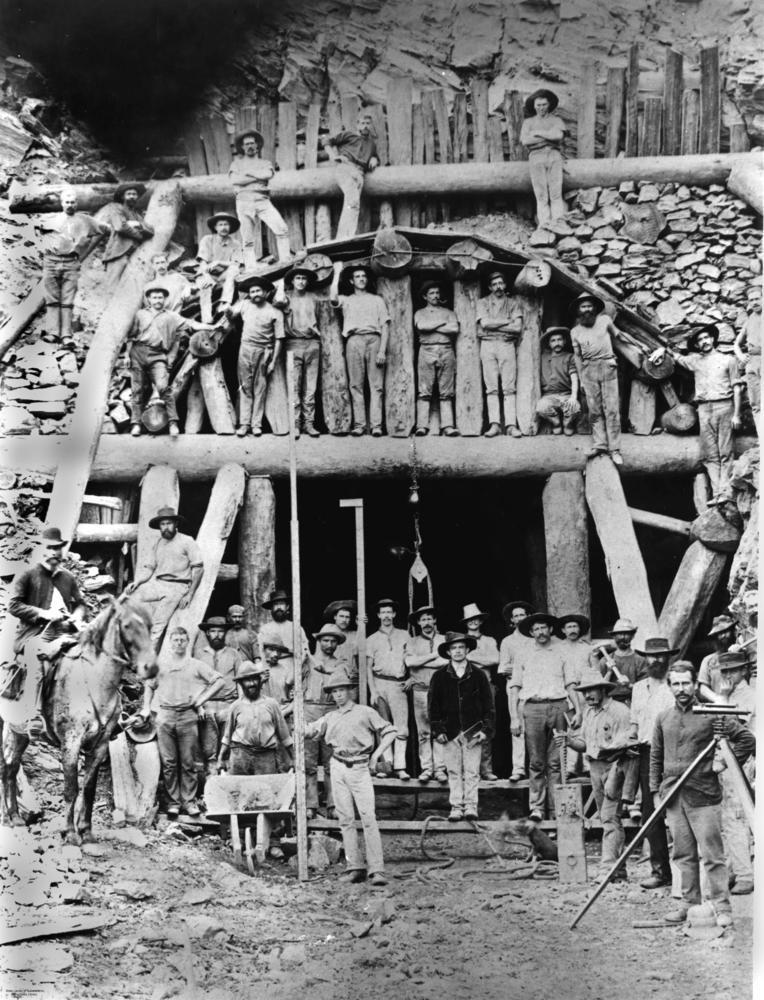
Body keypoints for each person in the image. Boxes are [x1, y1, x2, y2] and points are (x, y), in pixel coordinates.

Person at [650, 660, 755, 927]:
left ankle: (721, 907)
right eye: (676, 683)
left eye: (686, 683)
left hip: (704, 794)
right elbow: (656, 756)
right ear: (670, 686)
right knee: (683, 854)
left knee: (712, 854)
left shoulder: (711, 713)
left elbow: (746, 740)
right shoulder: (663, 718)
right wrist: (655, 790)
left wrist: (720, 763)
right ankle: (689, 904)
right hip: (673, 794)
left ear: (695, 684)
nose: (681, 688)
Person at [304, 666, 396, 885]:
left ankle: (377, 870)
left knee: (368, 818)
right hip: (337, 766)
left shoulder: (365, 712)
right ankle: (355, 866)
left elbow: (391, 731)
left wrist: (376, 756)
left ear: (350, 691)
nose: (338, 695)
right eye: (334, 691)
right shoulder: (330, 717)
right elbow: (309, 730)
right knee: (345, 819)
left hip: (360, 767)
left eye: (342, 690)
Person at [139, 626, 226, 820]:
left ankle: (189, 801)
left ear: (188, 643)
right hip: (165, 717)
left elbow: (219, 680)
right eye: (175, 640)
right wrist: (146, 708)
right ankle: (173, 803)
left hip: (188, 717)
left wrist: (201, 701)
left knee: (188, 762)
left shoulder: (195, 665)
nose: (179, 643)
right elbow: (149, 685)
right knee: (169, 763)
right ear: (170, 643)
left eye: (182, 640)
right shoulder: (161, 665)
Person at [650, 325, 742, 496]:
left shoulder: (728, 360)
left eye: (706, 338)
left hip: (724, 406)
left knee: (725, 452)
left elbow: (737, 388)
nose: (704, 342)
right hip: (704, 409)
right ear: (697, 345)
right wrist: (662, 349)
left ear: (713, 339)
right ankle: (717, 494)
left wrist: (736, 415)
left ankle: (726, 492)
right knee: (711, 455)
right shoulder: (695, 361)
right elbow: (676, 357)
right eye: (700, 340)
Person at [557, 677, 633, 878]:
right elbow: (585, 744)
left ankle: (608, 868)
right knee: (607, 818)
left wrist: (613, 757)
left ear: (603, 690)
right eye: (584, 692)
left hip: (615, 765)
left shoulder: (620, 711)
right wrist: (569, 741)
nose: (587, 696)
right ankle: (619, 870)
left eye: (592, 691)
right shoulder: (589, 712)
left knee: (609, 817)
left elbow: (629, 740)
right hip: (595, 767)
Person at [509, 612, 581, 822]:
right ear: (531, 632)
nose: (541, 632)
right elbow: (514, 688)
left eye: (544, 628)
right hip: (533, 709)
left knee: (557, 762)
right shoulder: (523, 654)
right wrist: (515, 717)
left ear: (551, 629)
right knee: (537, 762)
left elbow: (571, 684)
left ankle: (557, 806)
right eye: (536, 629)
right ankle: (537, 808)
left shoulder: (561, 652)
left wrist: (577, 710)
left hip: (558, 707)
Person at [9, 526, 86, 719]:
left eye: (57, 548)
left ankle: (99, 712)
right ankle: (33, 713)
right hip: (35, 633)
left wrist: (77, 616)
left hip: (66, 631)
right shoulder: (27, 574)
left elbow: (82, 604)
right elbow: (13, 605)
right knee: (38, 654)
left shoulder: (68, 577)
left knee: (94, 653)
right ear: (41, 549)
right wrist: (44, 614)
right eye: (49, 548)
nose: (53, 552)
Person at [127, 282, 216, 438]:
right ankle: (136, 424)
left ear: (165, 299)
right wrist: (127, 356)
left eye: (160, 297)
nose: (157, 300)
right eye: (154, 297)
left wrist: (211, 327)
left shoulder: (171, 316)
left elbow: (191, 324)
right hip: (138, 352)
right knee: (137, 389)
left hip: (157, 354)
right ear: (148, 299)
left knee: (163, 387)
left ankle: (173, 422)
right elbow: (130, 335)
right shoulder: (140, 314)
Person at [428, 632, 495, 821]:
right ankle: (456, 807)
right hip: (450, 731)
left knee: (472, 771)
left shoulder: (479, 675)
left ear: (467, 650)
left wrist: (485, 730)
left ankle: (471, 806)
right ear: (448, 652)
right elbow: (433, 706)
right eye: (453, 648)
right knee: (454, 771)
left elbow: (488, 706)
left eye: (461, 648)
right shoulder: (440, 676)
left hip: (473, 730)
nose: (457, 651)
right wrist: (438, 729)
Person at [627, 637, 677, 888]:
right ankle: (660, 871)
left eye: (660, 655)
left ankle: (684, 874)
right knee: (651, 811)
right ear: (644, 658)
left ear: (668, 657)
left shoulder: (675, 685)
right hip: (647, 753)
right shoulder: (638, 688)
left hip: (675, 751)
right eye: (651, 656)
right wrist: (630, 740)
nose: (656, 660)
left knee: (679, 809)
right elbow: (635, 723)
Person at [37, 187, 110, 342]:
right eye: (66, 202)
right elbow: (37, 232)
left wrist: (84, 243)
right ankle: (52, 333)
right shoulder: (50, 219)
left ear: (77, 204)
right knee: (52, 298)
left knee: (68, 300)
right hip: (51, 261)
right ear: (62, 203)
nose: (69, 205)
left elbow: (106, 228)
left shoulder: (85, 219)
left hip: (71, 262)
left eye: (72, 202)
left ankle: (66, 335)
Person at [126, 507, 203, 649]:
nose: (165, 527)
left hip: (177, 587)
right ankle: (131, 641)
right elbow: (149, 568)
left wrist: (190, 594)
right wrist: (137, 582)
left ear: (176, 524)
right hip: (158, 583)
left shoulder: (187, 541)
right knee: (131, 599)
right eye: (162, 524)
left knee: (158, 623)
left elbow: (198, 568)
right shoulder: (158, 543)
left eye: (169, 523)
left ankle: (147, 660)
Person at [330, 262, 390, 436]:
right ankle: (360, 425)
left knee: (376, 385)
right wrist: (337, 273)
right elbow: (333, 298)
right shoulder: (346, 299)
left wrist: (382, 350)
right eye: (357, 277)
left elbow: (385, 326)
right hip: (354, 340)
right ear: (351, 281)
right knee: (356, 385)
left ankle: (376, 426)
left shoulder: (377, 300)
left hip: (374, 340)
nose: (361, 279)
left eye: (363, 276)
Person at [570, 293, 631, 465]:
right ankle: (600, 444)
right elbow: (577, 357)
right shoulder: (574, 331)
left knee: (611, 409)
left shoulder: (604, 320)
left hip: (607, 366)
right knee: (594, 410)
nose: (587, 309)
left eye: (589, 306)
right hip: (589, 369)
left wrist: (639, 345)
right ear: (578, 310)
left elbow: (619, 335)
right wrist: (582, 379)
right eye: (583, 306)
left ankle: (615, 449)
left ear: (595, 308)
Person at [715, 650, 755, 896]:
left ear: (744, 671)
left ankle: (745, 875)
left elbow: (738, 730)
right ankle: (734, 868)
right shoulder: (730, 694)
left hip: (744, 760)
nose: (728, 675)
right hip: (729, 759)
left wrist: (722, 699)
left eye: (734, 670)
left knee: (736, 819)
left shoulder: (749, 696)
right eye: (725, 670)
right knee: (728, 818)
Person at [302, 624, 350, 817]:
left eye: (333, 641)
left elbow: (344, 686)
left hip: (331, 709)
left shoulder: (341, 664)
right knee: (308, 761)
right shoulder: (307, 660)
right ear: (319, 641)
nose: (329, 644)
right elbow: (292, 681)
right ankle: (310, 805)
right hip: (310, 707)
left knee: (333, 762)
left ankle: (333, 805)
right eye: (326, 640)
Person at [229, 274, 284, 437]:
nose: (255, 294)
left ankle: (256, 425)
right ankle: (244, 424)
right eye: (252, 292)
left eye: (258, 291)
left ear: (266, 292)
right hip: (245, 349)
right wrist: (227, 311)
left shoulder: (275, 311)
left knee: (260, 388)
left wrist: (273, 361)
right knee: (245, 387)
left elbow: (279, 339)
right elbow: (231, 315)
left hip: (264, 351)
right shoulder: (244, 304)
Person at [217, 660, 293, 776]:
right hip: (240, 756)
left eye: (254, 679)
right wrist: (220, 758)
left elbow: (285, 736)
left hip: (266, 757)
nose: (252, 683)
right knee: (239, 790)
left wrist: (294, 758)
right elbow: (227, 737)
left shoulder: (271, 704)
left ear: (260, 680)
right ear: (241, 683)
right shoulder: (235, 706)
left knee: (265, 790)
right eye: (247, 680)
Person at [229, 128, 291, 267]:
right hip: (244, 201)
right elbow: (235, 180)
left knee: (282, 229)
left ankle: (286, 263)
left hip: (262, 200)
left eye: (252, 143)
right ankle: (251, 270)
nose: (249, 146)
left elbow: (267, 175)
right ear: (242, 147)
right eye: (246, 144)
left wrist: (247, 174)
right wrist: (256, 176)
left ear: (257, 145)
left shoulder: (265, 163)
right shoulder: (236, 164)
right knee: (248, 239)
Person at [476, 270, 523, 437]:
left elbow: (517, 328)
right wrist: (506, 321)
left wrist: (495, 325)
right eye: (494, 284)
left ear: (505, 285)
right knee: (491, 388)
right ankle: (494, 425)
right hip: (487, 346)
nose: (498, 287)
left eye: (501, 283)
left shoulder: (513, 303)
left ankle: (510, 425)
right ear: (489, 287)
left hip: (506, 345)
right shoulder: (482, 303)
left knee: (509, 387)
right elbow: (485, 323)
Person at [366, 598, 410, 778]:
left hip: (398, 683)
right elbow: (368, 667)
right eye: (382, 612)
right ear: (378, 615)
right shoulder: (371, 639)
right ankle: (385, 767)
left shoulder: (405, 635)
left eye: (389, 612)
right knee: (383, 727)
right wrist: (373, 691)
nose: (386, 616)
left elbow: (412, 660)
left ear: (394, 614)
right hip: (379, 682)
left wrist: (411, 678)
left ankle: (400, 767)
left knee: (401, 728)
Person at [276, 265, 322, 437]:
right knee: (294, 386)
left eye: (304, 278)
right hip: (293, 344)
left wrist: (319, 335)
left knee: (310, 387)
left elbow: (321, 318)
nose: (301, 282)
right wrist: (282, 283)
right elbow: (277, 301)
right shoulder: (285, 298)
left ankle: (309, 424)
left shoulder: (314, 297)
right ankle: (295, 425)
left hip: (312, 343)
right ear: (292, 281)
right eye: (298, 278)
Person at [404, 606, 448, 783]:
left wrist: (422, 663)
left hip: (441, 691)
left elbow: (448, 661)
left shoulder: (444, 639)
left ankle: (440, 769)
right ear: (418, 623)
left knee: (440, 731)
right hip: (420, 690)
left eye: (430, 619)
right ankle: (427, 769)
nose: (427, 623)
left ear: (435, 621)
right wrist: (434, 656)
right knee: (423, 733)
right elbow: (410, 662)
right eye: (423, 619)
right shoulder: (412, 642)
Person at [195, 616, 242, 775]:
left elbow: (241, 681)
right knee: (209, 752)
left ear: (225, 633)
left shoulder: (234, 654)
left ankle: (229, 789)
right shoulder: (199, 655)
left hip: (228, 706)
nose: (216, 635)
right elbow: (195, 683)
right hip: (207, 708)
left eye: (220, 631)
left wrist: (240, 706)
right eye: (212, 631)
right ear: (207, 633)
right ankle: (211, 790)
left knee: (228, 749)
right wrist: (199, 705)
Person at [322, 110, 380, 239]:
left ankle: (347, 237)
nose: (365, 126)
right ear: (358, 124)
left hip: (359, 175)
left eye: (368, 123)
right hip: (346, 169)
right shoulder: (349, 135)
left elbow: (375, 156)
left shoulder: (371, 144)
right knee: (352, 203)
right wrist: (333, 156)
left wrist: (374, 159)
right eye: (363, 123)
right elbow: (326, 140)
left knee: (354, 207)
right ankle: (343, 239)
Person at [412, 281, 460, 437]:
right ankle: (422, 426)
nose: (435, 296)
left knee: (446, 391)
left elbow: (454, 328)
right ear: (425, 296)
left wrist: (432, 326)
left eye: (437, 293)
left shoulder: (449, 311)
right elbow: (421, 326)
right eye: (431, 293)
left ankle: (447, 426)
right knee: (424, 390)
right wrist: (442, 323)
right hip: (427, 350)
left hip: (446, 350)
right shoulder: (420, 312)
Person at [497, 600, 535, 781]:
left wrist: (522, 668)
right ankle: (518, 768)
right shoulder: (508, 641)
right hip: (514, 687)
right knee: (517, 726)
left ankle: (535, 767)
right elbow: (503, 668)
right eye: (516, 616)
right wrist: (517, 668)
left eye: (522, 615)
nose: (520, 618)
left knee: (535, 727)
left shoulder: (535, 638)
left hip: (534, 685)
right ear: (512, 620)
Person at [462, 602, 500, 782]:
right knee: (466, 727)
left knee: (487, 727)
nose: (473, 622)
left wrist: (473, 658)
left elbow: (495, 660)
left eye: (475, 619)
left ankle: (486, 769)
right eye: (469, 619)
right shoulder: (461, 641)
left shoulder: (489, 640)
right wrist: (482, 660)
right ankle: (469, 770)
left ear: (480, 620)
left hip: (486, 687)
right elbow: (460, 661)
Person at [554, 613, 594, 778]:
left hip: (584, 691)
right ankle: (570, 767)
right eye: (569, 627)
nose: (572, 630)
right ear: (563, 630)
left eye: (575, 626)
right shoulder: (557, 648)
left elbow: (594, 670)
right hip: (565, 691)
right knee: (571, 728)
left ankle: (586, 765)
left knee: (587, 726)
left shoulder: (587, 648)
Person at [519, 88, 566, 227]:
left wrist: (537, 133)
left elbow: (558, 136)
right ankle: (545, 226)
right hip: (536, 158)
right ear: (534, 106)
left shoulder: (556, 120)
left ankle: (558, 225)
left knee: (556, 194)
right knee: (541, 195)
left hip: (554, 156)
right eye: (538, 105)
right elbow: (525, 141)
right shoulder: (528, 122)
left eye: (544, 104)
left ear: (549, 104)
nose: (541, 108)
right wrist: (547, 136)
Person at [97, 182, 154, 287]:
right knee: (112, 286)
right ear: (123, 196)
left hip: (134, 255)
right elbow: (120, 226)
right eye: (129, 194)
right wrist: (139, 235)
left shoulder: (136, 215)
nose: (132, 196)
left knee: (128, 287)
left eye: (134, 194)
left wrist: (137, 224)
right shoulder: (116, 208)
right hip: (118, 253)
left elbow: (150, 230)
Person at [590, 618, 647, 704]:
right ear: (613, 636)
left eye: (626, 634)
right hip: (609, 704)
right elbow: (598, 689)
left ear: (633, 636)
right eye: (619, 634)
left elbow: (645, 689)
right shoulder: (605, 660)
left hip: (634, 702)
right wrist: (609, 672)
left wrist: (629, 685)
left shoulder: (640, 660)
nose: (622, 637)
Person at [536, 326, 580, 435]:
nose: (557, 343)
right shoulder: (542, 357)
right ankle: (556, 422)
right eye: (553, 341)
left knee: (575, 408)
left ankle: (567, 422)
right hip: (549, 395)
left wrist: (573, 397)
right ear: (549, 344)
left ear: (564, 341)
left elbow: (574, 378)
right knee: (541, 407)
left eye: (559, 340)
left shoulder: (570, 357)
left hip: (566, 395)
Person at [196, 212, 243, 313]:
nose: (223, 228)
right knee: (205, 286)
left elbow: (236, 264)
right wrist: (206, 276)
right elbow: (203, 262)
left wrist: (217, 262)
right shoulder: (207, 240)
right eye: (220, 225)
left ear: (230, 227)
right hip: (206, 274)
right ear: (215, 227)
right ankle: (207, 319)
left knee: (234, 270)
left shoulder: (236, 244)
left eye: (226, 224)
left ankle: (225, 303)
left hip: (223, 275)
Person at [258, 588, 310, 681]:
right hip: (273, 669)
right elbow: (261, 652)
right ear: (271, 609)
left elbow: (305, 650)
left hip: (294, 666)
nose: (279, 607)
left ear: (287, 607)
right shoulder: (265, 629)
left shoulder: (296, 627)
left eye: (281, 604)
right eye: (275, 604)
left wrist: (298, 670)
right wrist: (267, 663)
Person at [734, 288, 761, 426]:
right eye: (751, 300)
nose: (754, 302)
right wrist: (741, 355)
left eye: (757, 298)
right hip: (753, 366)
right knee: (756, 404)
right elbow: (736, 344)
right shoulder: (749, 320)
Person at [697, 614, 737, 703]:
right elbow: (703, 688)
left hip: (742, 704)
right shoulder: (708, 660)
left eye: (726, 631)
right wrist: (718, 699)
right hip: (718, 707)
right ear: (715, 636)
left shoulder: (742, 655)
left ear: (733, 632)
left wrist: (736, 654)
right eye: (720, 633)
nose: (723, 636)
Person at [323, 599, 359, 672]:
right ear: (335, 617)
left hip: (351, 674)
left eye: (347, 617)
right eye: (341, 616)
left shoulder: (354, 634)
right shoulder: (328, 629)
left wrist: (360, 626)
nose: (344, 620)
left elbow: (358, 651)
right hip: (330, 672)